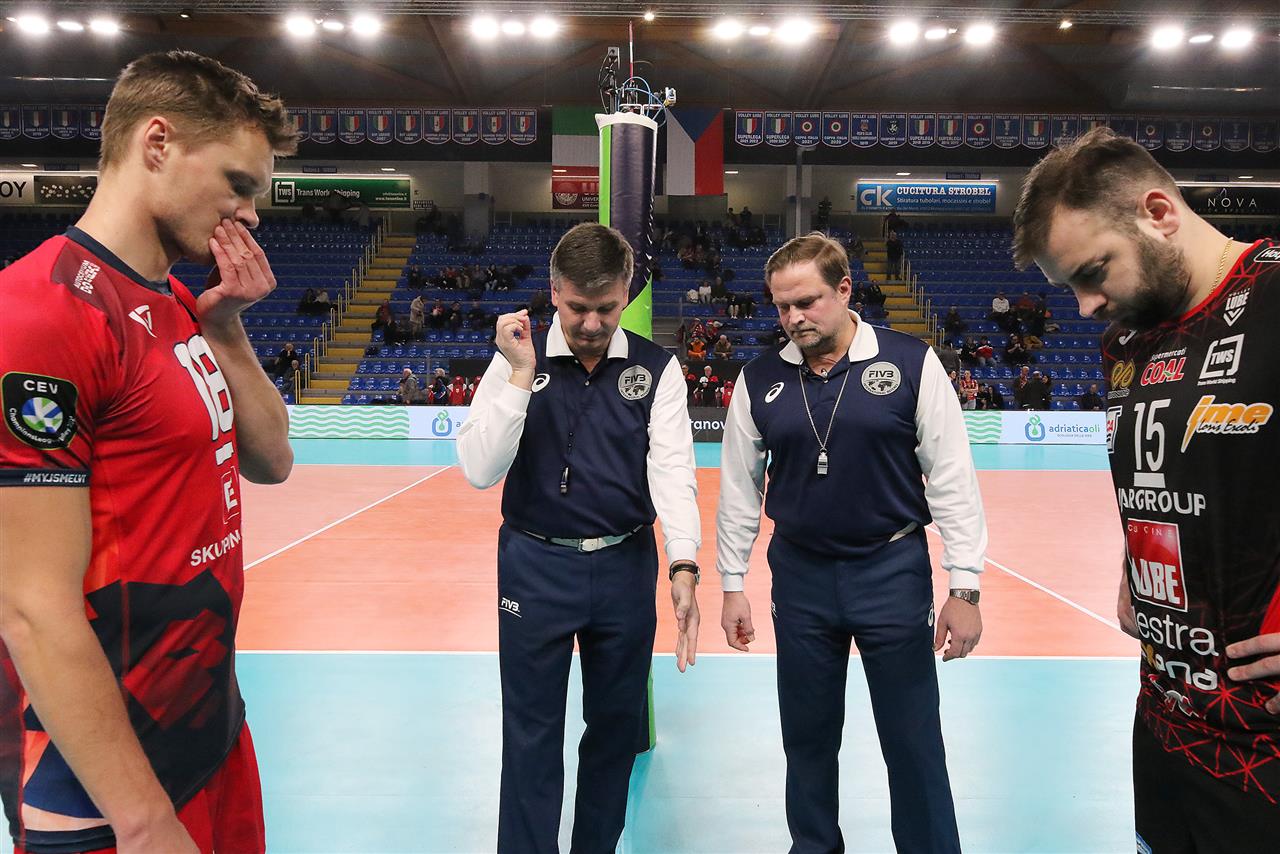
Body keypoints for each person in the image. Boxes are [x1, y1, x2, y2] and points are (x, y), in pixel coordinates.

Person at [0, 50, 297, 854]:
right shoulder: (40, 313)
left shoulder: (175, 301)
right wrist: (142, 821)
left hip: (208, 732)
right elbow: (30, 606)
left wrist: (225, 326)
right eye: (237, 183)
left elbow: (273, 458)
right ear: (157, 143)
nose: (250, 214)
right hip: (107, 792)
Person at [1015, 127, 1280, 850]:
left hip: (1264, 750)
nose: (1085, 306)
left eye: (1093, 272)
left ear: (1158, 213)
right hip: (1165, 728)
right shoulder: (1129, 341)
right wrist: (1140, 560)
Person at [716, 233, 986, 853]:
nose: (794, 318)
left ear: (843, 290)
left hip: (892, 569)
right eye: (782, 306)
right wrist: (732, 584)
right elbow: (738, 491)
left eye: (807, 302)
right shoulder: (759, 380)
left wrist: (965, 586)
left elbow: (952, 478)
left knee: (912, 737)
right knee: (807, 737)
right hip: (800, 576)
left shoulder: (912, 363)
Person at [456, 223, 702, 853]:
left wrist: (683, 562)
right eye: (576, 308)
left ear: (626, 293)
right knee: (531, 732)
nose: (591, 324)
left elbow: (673, 470)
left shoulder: (656, 369)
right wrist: (520, 374)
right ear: (554, 292)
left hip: (624, 566)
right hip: (534, 565)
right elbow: (479, 470)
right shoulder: (515, 359)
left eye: (606, 308)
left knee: (615, 729)